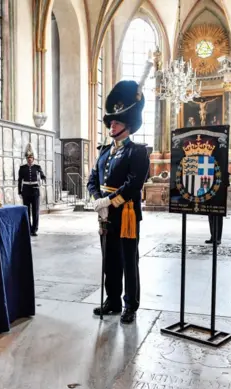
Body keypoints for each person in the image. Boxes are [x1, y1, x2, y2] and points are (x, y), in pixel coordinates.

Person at [87, 79, 150, 324]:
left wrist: (108, 202)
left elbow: (134, 185)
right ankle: (112, 300)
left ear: (127, 125)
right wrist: (96, 201)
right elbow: (93, 178)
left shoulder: (138, 152)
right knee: (109, 259)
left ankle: (130, 305)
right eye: (111, 122)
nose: (111, 125)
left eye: (116, 122)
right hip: (104, 213)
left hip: (126, 214)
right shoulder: (104, 151)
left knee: (128, 260)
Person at [18, 149, 46, 236]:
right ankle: (28, 228)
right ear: (26, 159)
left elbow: (43, 176)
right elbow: (19, 180)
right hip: (26, 190)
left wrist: (42, 177)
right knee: (27, 211)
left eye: (31, 158)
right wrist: (20, 191)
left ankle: (34, 230)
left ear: (33, 159)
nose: (30, 159)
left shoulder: (37, 167)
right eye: (28, 158)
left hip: (35, 190)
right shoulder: (22, 168)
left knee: (35, 211)